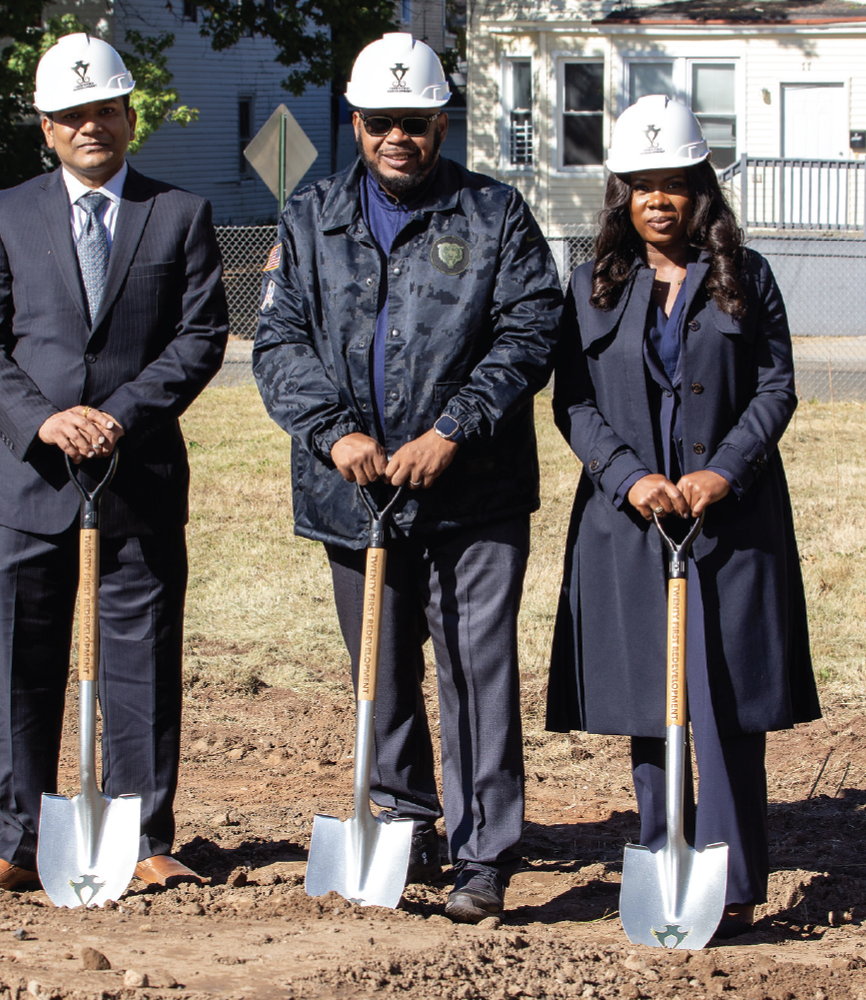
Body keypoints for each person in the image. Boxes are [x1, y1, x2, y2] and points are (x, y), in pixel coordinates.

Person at [251, 32, 563, 922]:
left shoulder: (494, 215)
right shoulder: (309, 218)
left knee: (476, 672)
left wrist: (452, 430)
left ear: (441, 126)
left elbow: (532, 330)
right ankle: (405, 821)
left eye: (416, 123)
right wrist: (333, 433)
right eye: (382, 121)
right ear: (355, 123)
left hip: (474, 495)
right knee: (381, 673)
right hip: (354, 495)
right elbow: (277, 342)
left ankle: (483, 851)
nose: (399, 137)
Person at [0, 33, 228, 893]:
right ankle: (20, 842)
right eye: (71, 115)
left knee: (143, 664)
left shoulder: (179, 213)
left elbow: (200, 338)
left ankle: (143, 839)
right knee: (24, 664)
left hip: (138, 480)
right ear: (47, 128)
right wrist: (44, 421)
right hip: (29, 483)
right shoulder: (6, 212)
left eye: (104, 110)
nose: (89, 127)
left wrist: (119, 416)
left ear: (130, 118)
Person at [546, 94, 820, 938]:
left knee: (725, 701)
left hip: (728, 524)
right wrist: (628, 477)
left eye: (675, 184)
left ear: (702, 190)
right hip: (631, 524)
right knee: (650, 700)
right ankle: (665, 854)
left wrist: (722, 472)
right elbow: (573, 402)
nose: (658, 201)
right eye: (642, 186)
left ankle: (731, 881)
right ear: (621, 196)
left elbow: (776, 387)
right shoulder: (592, 285)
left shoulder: (748, 277)